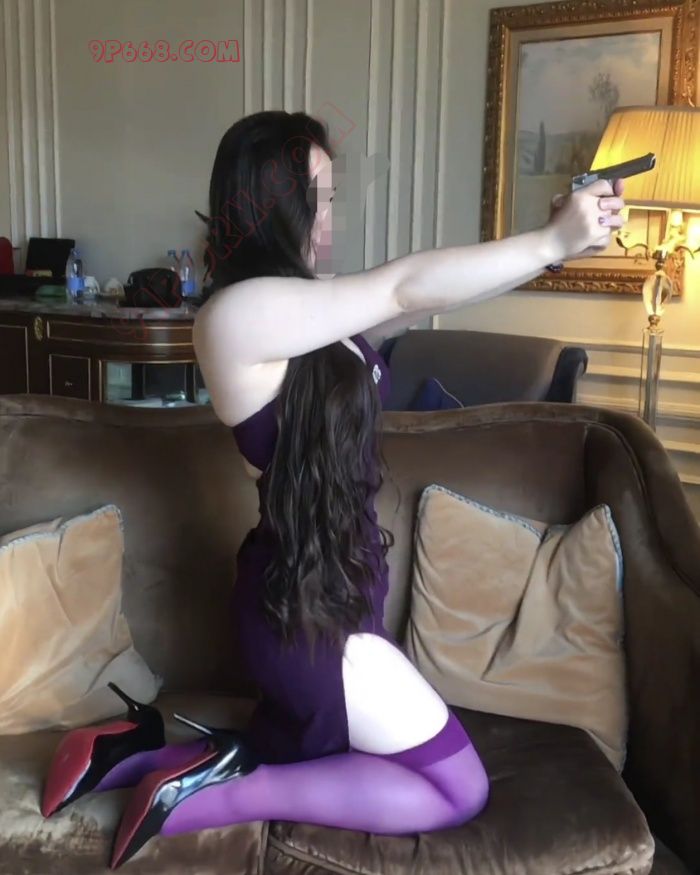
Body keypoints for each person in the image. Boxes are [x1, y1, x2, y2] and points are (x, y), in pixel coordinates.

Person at [41, 110, 625, 869]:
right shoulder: (234, 316)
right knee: (456, 788)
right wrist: (549, 242)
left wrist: (555, 247)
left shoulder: (310, 307)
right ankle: (206, 797)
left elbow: (426, 297)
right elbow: (404, 285)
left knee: (311, 751)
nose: (328, 217)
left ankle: (126, 751)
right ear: (271, 205)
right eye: (317, 197)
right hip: (305, 610)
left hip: (335, 586)